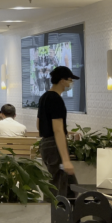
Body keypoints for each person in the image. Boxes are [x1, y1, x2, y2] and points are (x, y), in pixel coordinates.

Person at [37, 66, 80, 198]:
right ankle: (53, 210)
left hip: (45, 144)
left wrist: (67, 133)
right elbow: (57, 130)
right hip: (54, 146)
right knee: (58, 186)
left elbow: (39, 125)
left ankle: (69, 209)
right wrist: (66, 160)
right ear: (62, 80)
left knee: (71, 186)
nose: (71, 83)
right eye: (70, 80)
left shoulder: (44, 97)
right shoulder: (56, 99)